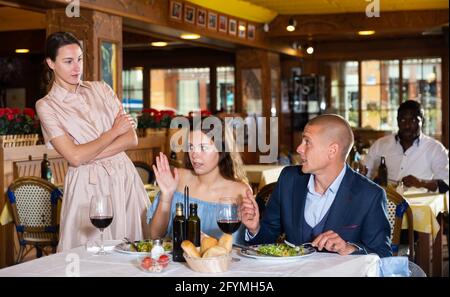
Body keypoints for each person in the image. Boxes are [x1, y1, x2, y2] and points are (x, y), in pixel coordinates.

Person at [36, 32, 150, 251]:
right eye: (68, 61)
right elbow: (75, 157)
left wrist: (84, 153)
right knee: (88, 254)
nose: (76, 67)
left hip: (124, 176)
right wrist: (112, 132)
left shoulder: (102, 89)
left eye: (79, 59)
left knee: (134, 252)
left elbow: (131, 138)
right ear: (51, 63)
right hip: (87, 186)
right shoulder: (46, 105)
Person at [241, 114, 392, 257]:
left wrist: (348, 248)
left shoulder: (370, 195)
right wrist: (255, 228)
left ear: (332, 150)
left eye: (307, 142)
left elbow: (383, 255)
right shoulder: (289, 179)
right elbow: (267, 239)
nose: (299, 148)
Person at [147, 119, 250, 243]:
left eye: (203, 147)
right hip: (174, 261)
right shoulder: (177, 178)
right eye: (191, 147)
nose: (194, 155)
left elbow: (244, 246)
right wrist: (166, 196)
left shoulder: (240, 192)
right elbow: (154, 235)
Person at [363, 100, 449, 193]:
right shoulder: (380, 145)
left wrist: (421, 183)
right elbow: (364, 176)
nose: (407, 125)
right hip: (385, 203)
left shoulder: (435, 149)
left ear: (422, 122)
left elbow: (445, 185)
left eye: (413, 120)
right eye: (403, 120)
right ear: (397, 121)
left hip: (419, 205)